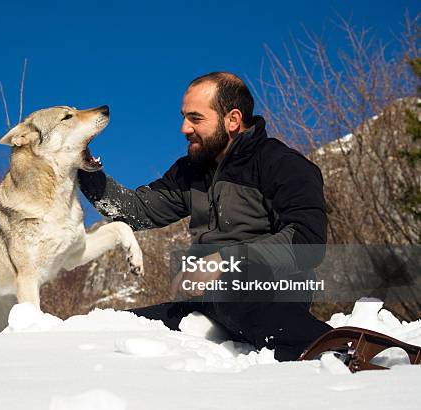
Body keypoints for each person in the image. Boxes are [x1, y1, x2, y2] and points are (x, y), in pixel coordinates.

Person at [78, 72, 332, 361]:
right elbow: (135, 210)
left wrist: (223, 260)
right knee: (121, 328)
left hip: (269, 293)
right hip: (207, 300)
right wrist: (82, 163)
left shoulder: (281, 165)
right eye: (184, 117)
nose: (184, 128)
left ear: (233, 120)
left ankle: (336, 348)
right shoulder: (191, 171)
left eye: (196, 118)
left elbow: (308, 243)